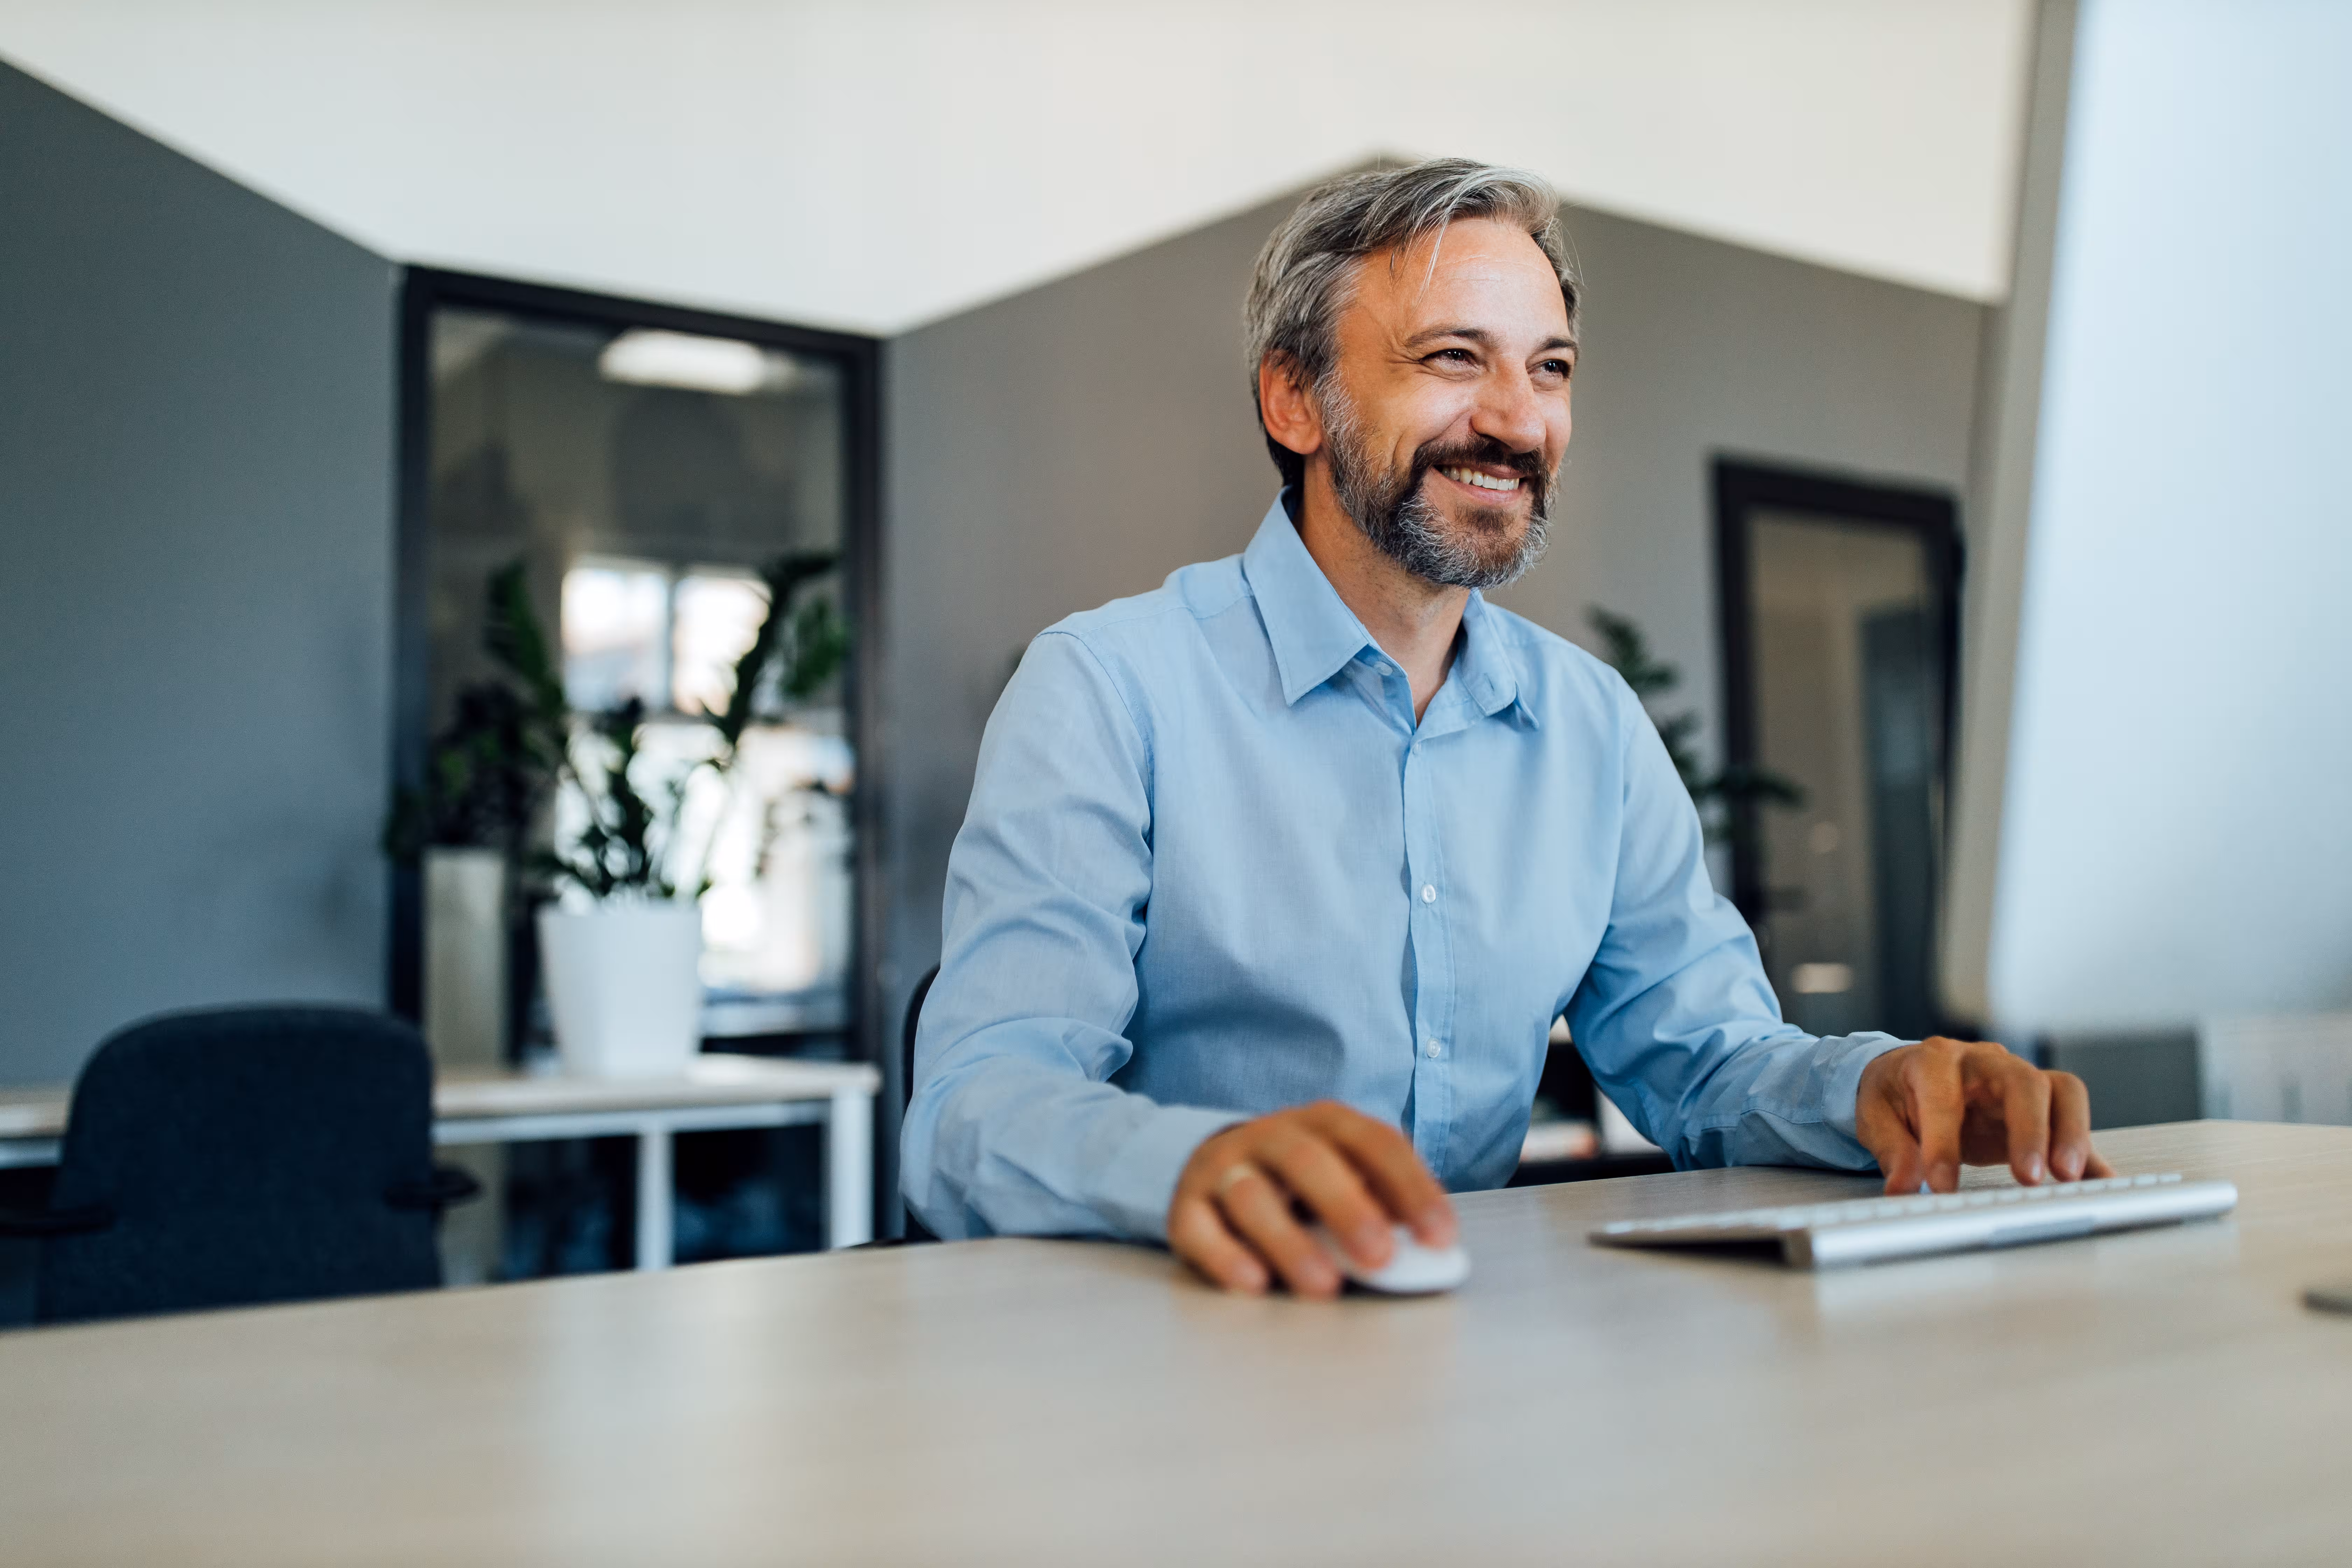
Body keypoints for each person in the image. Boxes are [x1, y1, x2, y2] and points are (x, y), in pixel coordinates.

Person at [902, 157, 2107, 1296]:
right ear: (1293, 398)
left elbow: (1707, 1061)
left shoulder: (1591, 728)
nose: (1516, 420)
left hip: (1464, 1352)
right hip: (1163, 1347)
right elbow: (976, 1105)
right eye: (1452, 358)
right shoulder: (1109, 689)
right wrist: (1186, 1171)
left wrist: (1873, 1089)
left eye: (1550, 368)